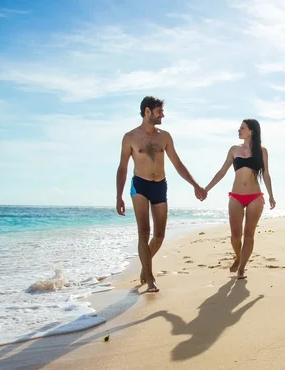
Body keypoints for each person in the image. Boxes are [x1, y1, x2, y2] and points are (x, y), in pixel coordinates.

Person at [116, 96, 207, 292]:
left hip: (160, 186)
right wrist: (119, 196)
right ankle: (150, 279)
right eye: (159, 111)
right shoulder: (130, 137)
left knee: (159, 236)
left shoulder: (164, 137)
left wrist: (195, 185)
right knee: (143, 232)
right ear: (147, 111)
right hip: (139, 185)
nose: (162, 115)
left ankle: (144, 266)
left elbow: (178, 163)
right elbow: (122, 168)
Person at [205, 119, 275, 279]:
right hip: (236, 196)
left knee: (249, 234)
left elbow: (265, 174)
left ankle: (242, 268)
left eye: (242, 128)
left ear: (251, 131)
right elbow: (222, 172)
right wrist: (206, 189)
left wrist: (271, 195)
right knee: (235, 236)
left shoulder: (262, 151)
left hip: (255, 197)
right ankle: (239, 257)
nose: (239, 130)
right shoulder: (234, 150)